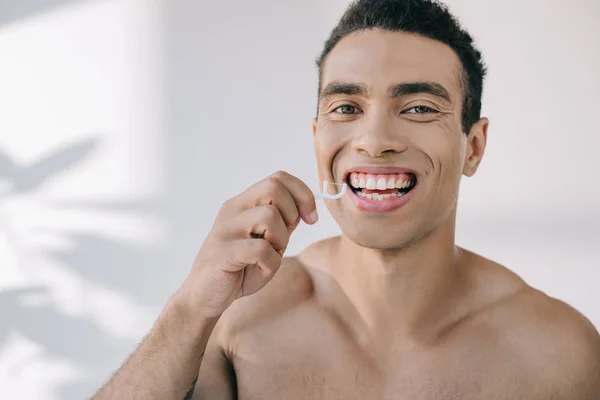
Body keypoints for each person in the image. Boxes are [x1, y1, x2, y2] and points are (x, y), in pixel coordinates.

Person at [93, 0, 600, 398]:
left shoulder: (560, 354)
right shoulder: (238, 321)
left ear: (474, 146)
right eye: (346, 106)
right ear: (318, 138)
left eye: (420, 107)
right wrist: (188, 310)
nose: (374, 139)